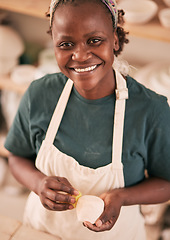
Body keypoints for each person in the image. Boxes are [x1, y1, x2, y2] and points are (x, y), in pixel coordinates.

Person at [4, 0, 170, 239]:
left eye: (94, 40)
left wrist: (121, 197)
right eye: (66, 44)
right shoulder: (39, 94)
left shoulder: (151, 111)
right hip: (44, 231)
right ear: (53, 45)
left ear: (114, 39)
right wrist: (38, 183)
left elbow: (166, 183)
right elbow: (17, 157)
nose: (80, 55)